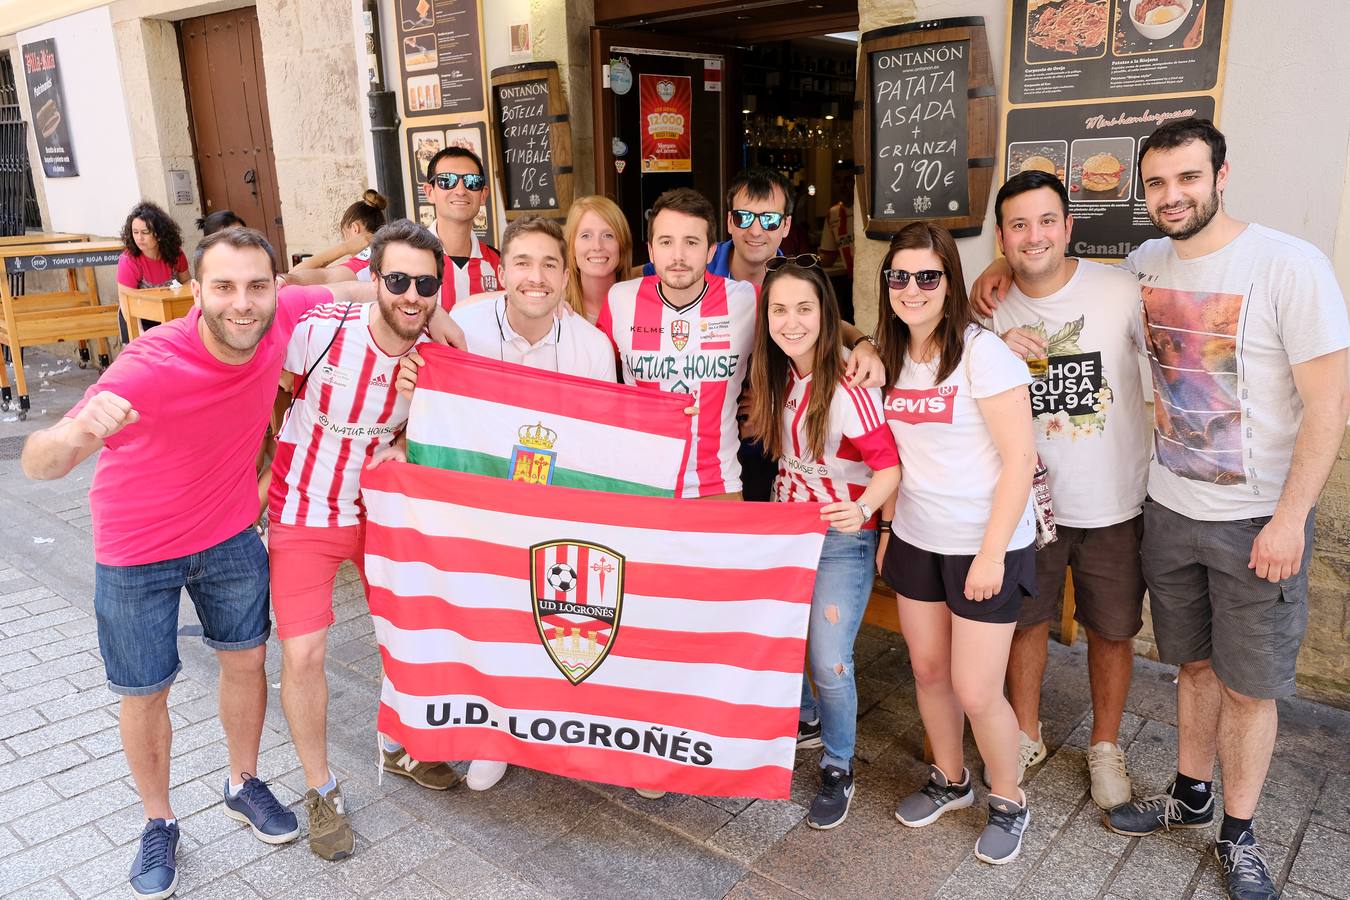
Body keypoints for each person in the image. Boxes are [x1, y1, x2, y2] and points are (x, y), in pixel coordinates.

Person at [973, 118, 1350, 900]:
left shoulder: (1289, 265)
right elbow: (1049, 268)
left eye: (1188, 178)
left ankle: (1239, 835)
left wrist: (1290, 518)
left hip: (1257, 519)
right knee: (1194, 667)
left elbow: (1330, 405)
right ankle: (1190, 792)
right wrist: (990, 273)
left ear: (1221, 175)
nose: (1172, 195)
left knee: (1250, 686)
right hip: (1171, 506)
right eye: (1157, 184)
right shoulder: (1145, 264)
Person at [22, 229, 341, 898]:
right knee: (145, 690)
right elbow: (37, 463)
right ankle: (158, 822)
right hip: (137, 549)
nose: (242, 303)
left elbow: (356, 287)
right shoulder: (146, 364)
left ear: (274, 290)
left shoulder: (278, 317)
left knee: (247, 661)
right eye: (223, 287)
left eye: (257, 285)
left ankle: (243, 782)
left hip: (228, 538)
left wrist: (437, 309)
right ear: (196, 292)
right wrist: (79, 430)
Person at [396, 215, 622, 792]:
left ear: (566, 274)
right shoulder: (463, 327)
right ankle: (487, 731)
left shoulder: (593, 346)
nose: (536, 277)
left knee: (540, 616)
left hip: (552, 504)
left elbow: (602, 438)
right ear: (502, 271)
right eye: (522, 262)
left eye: (550, 264)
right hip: (473, 497)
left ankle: (525, 726)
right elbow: (425, 400)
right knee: (476, 616)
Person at [270, 219, 461, 862]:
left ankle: (400, 745)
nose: (412, 294)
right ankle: (320, 788)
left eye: (426, 283)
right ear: (374, 279)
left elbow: (442, 445)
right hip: (303, 509)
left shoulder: (435, 360)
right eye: (399, 279)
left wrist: (418, 423)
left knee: (407, 633)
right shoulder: (321, 332)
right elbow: (262, 382)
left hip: (379, 512)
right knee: (304, 655)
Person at [985, 170, 1150, 810]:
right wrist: (995, 345)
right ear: (1001, 237)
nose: (1034, 236)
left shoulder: (1119, 289)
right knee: (1025, 622)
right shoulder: (987, 306)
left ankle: (1105, 745)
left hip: (1113, 498)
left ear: (1069, 226)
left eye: (1046, 220)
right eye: (1019, 225)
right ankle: (1026, 733)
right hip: (1026, 503)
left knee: (1113, 628)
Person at [875, 222, 1037, 866]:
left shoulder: (983, 354)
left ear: (950, 282)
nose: (913, 289)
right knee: (928, 670)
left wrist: (993, 554)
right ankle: (950, 779)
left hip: (984, 542)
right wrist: (888, 529)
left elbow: (1020, 459)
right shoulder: (888, 356)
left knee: (976, 689)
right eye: (900, 277)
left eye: (928, 277)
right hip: (917, 536)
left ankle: (1009, 799)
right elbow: (891, 456)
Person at [744, 255, 899, 830]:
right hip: (787, 534)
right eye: (779, 309)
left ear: (825, 314)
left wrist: (860, 511)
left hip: (839, 540)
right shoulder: (782, 372)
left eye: (803, 308)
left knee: (830, 659)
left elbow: (890, 468)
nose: (790, 321)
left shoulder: (849, 385)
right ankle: (806, 721)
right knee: (784, 638)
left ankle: (838, 765)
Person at [599, 187, 764, 502]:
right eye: (666, 242)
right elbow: (587, 370)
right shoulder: (621, 299)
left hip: (719, 487)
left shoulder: (746, 300)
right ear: (650, 251)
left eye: (691, 242)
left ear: (711, 251)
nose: (677, 256)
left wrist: (861, 343)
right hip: (642, 486)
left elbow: (808, 331)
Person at [287, 148, 500, 313]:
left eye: (472, 182)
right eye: (447, 181)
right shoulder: (397, 250)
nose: (460, 190)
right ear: (430, 192)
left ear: (483, 194)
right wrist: (284, 281)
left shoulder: (500, 264)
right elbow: (324, 278)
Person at [117, 201, 190, 339]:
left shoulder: (175, 253)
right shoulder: (129, 261)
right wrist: (140, 335)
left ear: (160, 234)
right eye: (135, 232)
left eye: (145, 232)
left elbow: (186, 280)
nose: (139, 238)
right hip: (138, 319)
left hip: (171, 317)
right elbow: (126, 302)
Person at [563, 195, 633, 324]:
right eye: (586, 236)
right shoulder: (557, 312)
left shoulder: (641, 305)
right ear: (571, 247)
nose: (597, 246)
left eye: (608, 235)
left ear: (622, 246)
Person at [288, 189, 388, 274]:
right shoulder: (388, 256)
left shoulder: (358, 267)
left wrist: (345, 247)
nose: (345, 239)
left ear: (354, 228)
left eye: (344, 234)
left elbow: (294, 275)